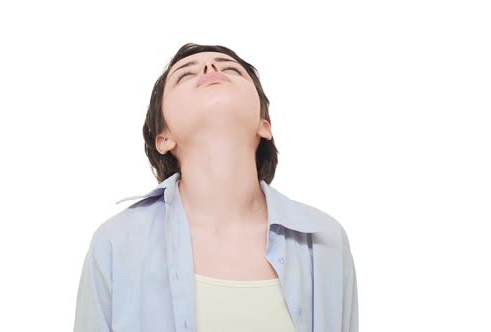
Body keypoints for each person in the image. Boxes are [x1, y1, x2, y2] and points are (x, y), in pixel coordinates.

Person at [73, 43, 358, 332]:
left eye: (231, 69)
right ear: (164, 138)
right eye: (185, 74)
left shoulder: (325, 242)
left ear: (265, 126)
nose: (210, 68)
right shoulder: (116, 244)